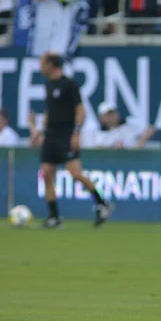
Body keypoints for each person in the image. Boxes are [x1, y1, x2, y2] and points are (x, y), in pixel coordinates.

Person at [32, 52, 114, 228]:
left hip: (66, 135)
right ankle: (54, 217)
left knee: (75, 174)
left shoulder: (69, 84)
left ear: (51, 65)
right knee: (46, 174)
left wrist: (76, 133)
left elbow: (80, 110)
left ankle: (102, 202)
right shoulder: (48, 86)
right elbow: (50, 111)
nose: (40, 67)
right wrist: (39, 132)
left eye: (42, 63)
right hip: (51, 135)